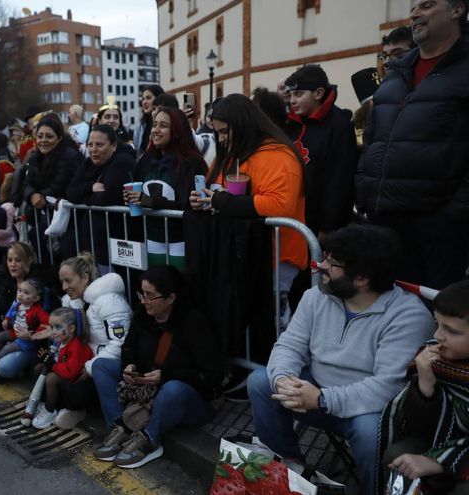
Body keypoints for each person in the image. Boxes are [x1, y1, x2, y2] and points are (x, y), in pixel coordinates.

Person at [247, 224, 436, 495]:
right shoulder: (316, 297)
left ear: (361, 278)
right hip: (316, 393)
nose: (320, 266)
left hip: (366, 408)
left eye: (331, 263)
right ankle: (288, 475)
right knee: (260, 382)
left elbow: (386, 388)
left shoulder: (408, 316)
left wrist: (322, 399)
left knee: (371, 432)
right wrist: (284, 379)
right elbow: (289, 345)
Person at [356, 0, 469, 290]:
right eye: (413, 7)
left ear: (457, 10)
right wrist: (365, 194)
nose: (415, 13)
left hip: (438, 235)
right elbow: (371, 139)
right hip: (382, 226)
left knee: (431, 325)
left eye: (427, 5)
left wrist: (451, 216)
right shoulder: (395, 75)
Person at [189, 93, 308, 361]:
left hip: (277, 256)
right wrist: (203, 199)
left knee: (271, 321)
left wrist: (220, 200)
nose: (220, 139)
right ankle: (250, 367)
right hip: (244, 257)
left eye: (224, 131)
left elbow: (280, 205)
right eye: (217, 132)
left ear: (242, 123)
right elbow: (217, 191)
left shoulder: (278, 155)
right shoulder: (236, 154)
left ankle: (270, 373)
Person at [92, 265, 228, 469]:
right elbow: (129, 345)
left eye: (150, 295)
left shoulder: (193, 321)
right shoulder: (144, 313)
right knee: (101, 365)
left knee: (173, 388)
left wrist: (165, 376)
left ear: (170, 298)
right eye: (142, 294)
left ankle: (149, 439)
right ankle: (122, 427)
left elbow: (212, 376)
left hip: (189, 398)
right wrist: (129, 364)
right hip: (147, 386)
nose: (144, 301)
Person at [379, 280, 469, 493]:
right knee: (398, 456)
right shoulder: (435, 359)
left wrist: (440, 461)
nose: (437, 336)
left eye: (451, 330)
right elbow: (420, 427)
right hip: (444, 441)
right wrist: (425, 386)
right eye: (437, 323)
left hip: (459, 452)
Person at [0, 242, 57, 383]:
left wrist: (31, 334)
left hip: (30, 343)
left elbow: (49, 320)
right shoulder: (8, 281)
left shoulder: (38, 286)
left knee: (4, 368)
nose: (12, 264)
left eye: (18, 260)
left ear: (29, 259)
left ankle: (1, 362)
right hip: (10, 335)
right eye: (9, 260)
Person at [125, 107, 206, 268]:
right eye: (154, 125)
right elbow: (139, 194)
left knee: (179, 287)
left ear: (176, 131)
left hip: (181, 241)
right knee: (156, 288)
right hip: (151, 237)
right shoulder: (145, 160)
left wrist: (152, 202)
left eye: (163, 125)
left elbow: (193, 205)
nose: (156, 130)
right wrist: (130, 199)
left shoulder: (191, 163)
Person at [284, 64, 359, 235]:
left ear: (318, 93)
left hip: (320, 225)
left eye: (299, 94)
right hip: (292, 219)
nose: (292, 100)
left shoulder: (339, 127)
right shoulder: (290, 124)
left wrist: (328, 228)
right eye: (290, 95)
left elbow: (338, 183)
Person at [59, 253, 133, 428]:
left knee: (74, 391)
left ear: (85, 278)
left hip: (111, 366)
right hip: (92, 362)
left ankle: (118, 428)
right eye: (62, 282)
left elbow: (120, 345)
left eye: (68, 281)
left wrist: (89, 366)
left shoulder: (110, 301)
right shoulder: (77, 303)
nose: (64, 287)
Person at [66, 125, 135, 269]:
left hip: (119, 239)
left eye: (99, 145)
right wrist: (90, 187)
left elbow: (109, 197)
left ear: (113, 145)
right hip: (94, 240)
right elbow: (71, 193)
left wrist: (85, 198)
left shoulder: (123, 161)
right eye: (90, 145)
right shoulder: (88, 162)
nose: (93, 150)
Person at [22, 114, 82, 259]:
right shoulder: (36, 156)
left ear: (59, 138)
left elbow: (59, 185)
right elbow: (27, 183)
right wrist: (32, 195)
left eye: (49, 136)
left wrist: (40, 195)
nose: (43, 140)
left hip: (69, 220)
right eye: (40, 136)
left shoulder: (69, 156)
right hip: (47, 217)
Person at [31, 307, 95, 429]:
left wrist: (51, 363)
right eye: (51, 327)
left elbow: (70, 374)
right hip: (68, 384)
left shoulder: (77, 346)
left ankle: (50, 411)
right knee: (39, 368)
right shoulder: (63, 340)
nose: (53, 331)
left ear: (71, 328)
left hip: (78, 390)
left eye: (57, 327)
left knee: (51, 378)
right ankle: (45, 403)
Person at [0, 278, 49, 368]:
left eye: (26, 293)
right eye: (20, 291)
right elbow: (10, 312)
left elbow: (46, 325)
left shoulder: (38, 310)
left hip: (26, 340)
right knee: (0, 336)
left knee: (7, 348)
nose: (21, 294)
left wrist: (32, 333)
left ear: (36, 298)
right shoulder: (18, 304)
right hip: (15, 332)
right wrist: (6, 319)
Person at [133, 85, 165, 158]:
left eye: (148, 98)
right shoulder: (140, 127)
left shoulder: (168, 122)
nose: (144, 102)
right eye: (143, 99)